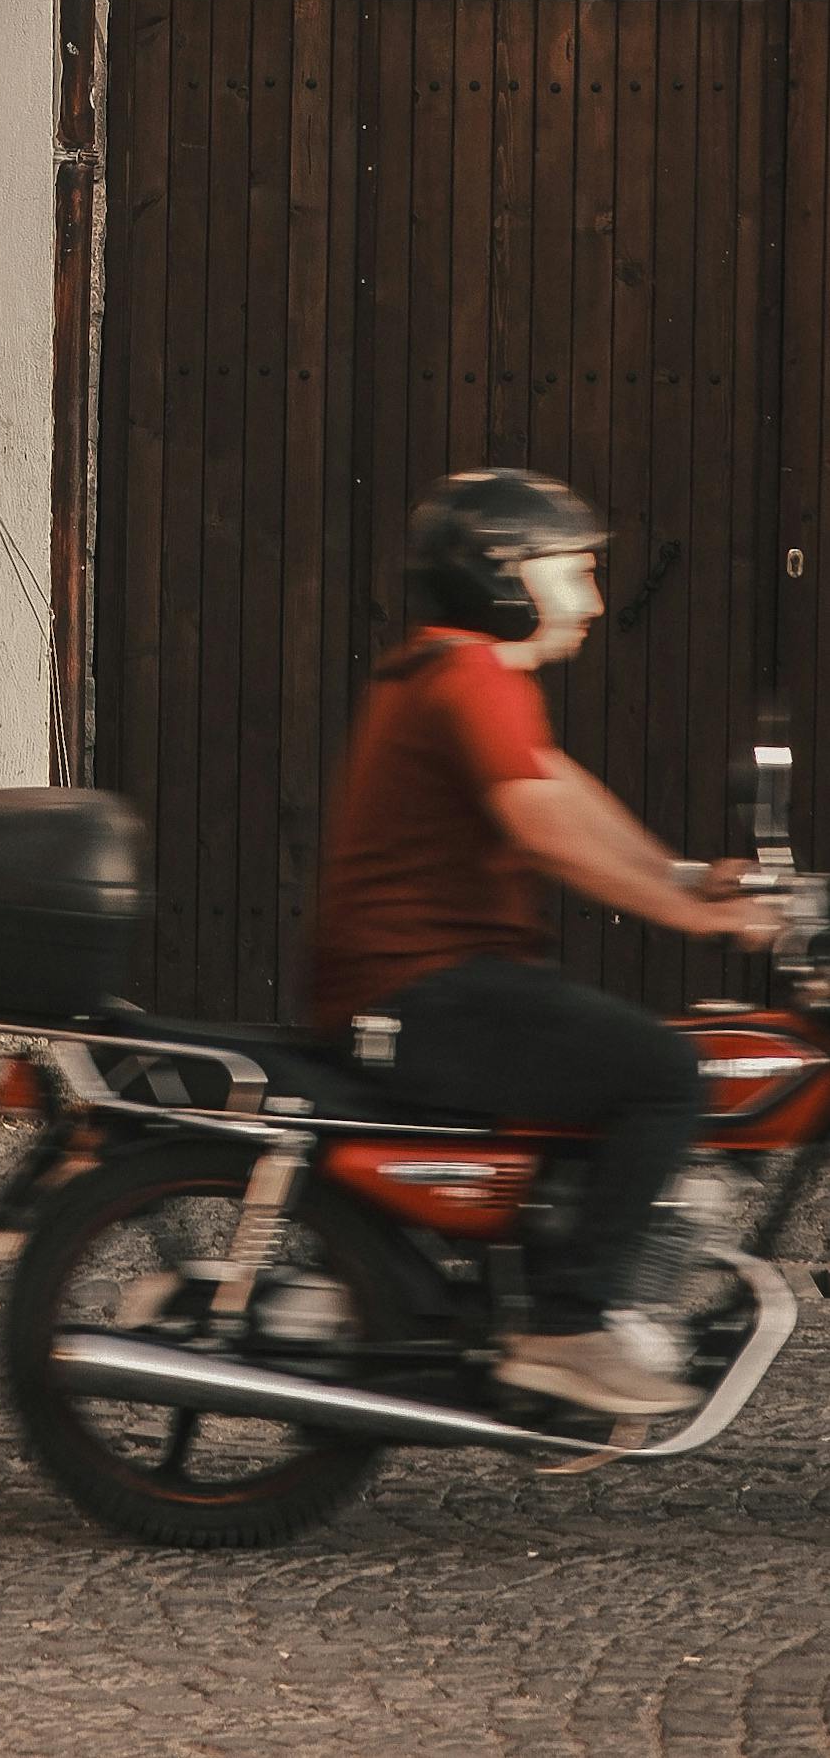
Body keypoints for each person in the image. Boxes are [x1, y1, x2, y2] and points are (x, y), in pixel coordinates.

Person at [310, 467, 780, 1423]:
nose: (595, 600)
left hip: (428, 986)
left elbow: (562, 794)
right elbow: (542, 830)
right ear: (504, 578)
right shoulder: (465, 673)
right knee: (660, 1070)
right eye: (572, 572)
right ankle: (569, 1331)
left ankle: (547, 1285)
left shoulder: (462, 674)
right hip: (419, 994)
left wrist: (688, 877)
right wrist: (695, 918)